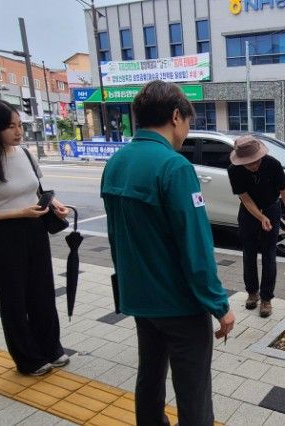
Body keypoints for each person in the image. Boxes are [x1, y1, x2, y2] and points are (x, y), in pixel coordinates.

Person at [101, 80, 235, 426]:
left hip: (139, 297)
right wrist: (219, 305)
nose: (186, 131)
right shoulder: (174, 167)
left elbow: (116, 237)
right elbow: (196, 245)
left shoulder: (116, 162)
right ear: (176, 116)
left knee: (150, 373)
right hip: (179, 304)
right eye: (188, 122)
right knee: (193, 389)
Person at [0, 99, 69, 376]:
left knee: (42, 293)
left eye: (20, 125)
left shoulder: (24, 153)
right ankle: (28, 359)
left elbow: (38, 189)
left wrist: (55, 204)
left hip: (34, 229)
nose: (18, 132)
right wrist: (19, 212)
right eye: (10, 127)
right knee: (14, 301)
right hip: (1, 238)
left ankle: (51, 348)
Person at [227, 135, 285, 318]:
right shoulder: (234, 170)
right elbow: (245, 198)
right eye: (248, 163)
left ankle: (266, 298)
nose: (253, 165)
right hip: (248, 212)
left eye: (255, 161)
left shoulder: (273, 164)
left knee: (269, 254)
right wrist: (260, 217)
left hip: (271, 207)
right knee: (248, 253)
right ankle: (252, 292)